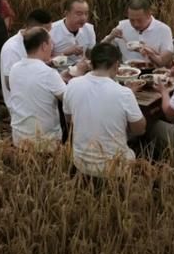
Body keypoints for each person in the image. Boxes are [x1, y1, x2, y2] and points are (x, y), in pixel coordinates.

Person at [63, 43, 147, 178]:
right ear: (116, 65)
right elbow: (140, 130)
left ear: (91, 63)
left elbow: (69, 120)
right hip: (116, 166)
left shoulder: (72, 85)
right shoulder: (123, 93)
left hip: (80, 162)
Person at [8, 28, 67, 152]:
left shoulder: (15, 68)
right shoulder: (49, 74)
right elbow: (69, 99)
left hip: (19, 138)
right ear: (44, 46)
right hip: (44, 143)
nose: (52, 46)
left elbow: (34, 83)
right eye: (51, 43)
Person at [0, 9, 53, 108]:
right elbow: (10, 83)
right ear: (31, 28)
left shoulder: (40, 41)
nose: (48, 35)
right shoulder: (12, 48)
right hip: (22, 103)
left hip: (37, 94)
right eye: (45, 31)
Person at [102, 0, 173, 66]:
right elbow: (101, 50)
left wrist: (150, 53)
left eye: (139, 20)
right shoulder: (123, 26)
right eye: (131, 20)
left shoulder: (163, 30)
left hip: (153, 70)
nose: (135, 24)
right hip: (127, 70)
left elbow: (165, 62)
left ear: (148, 15)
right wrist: (110, 37)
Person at [50, 0, 96, 64]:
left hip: (84, 70)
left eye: (86, 13)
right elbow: (45, 64)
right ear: (66, 13)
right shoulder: (51, 31)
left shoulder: (89, 29)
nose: (83, 18)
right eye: (79, 14)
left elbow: (92, 54)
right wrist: (65, 54)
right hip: (59, 72)